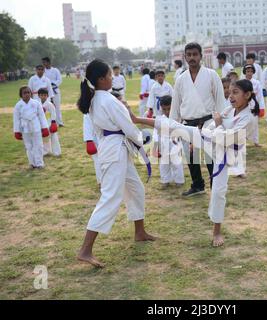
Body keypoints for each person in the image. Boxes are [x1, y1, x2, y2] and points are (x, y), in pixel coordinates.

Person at [133, 79, 256, 247]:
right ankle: (138, 119)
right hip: (209, 138)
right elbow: (212, 127)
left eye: (235, 92)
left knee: (219, 192)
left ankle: (217, 231)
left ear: (247, 95)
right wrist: (197, 137)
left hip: (225, 154)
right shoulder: (229, 109)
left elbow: (227, 138)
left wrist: (216, 126)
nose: (231, 96)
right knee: (176, 126)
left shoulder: (248, 118)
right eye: (230, 92)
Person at [77, 59, 155, 268]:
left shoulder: (95, 99)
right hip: (114, 149)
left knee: (135, 188)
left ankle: (139, 232)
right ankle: (85, 250)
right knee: (111, 196)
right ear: (101, 79)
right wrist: (142, 139)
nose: (113, 78)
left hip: (114, 147)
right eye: (110, 75)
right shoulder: (108, 100)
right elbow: (129, 127)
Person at [171, 43, 226, 197]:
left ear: (201, 56)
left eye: (195, 54)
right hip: (188, 123)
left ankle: (216, 185)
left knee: (211, 156)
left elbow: (220, 99)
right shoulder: (181, 79)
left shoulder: (211, 75)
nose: (192, 57)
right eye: (188, 55)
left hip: (208, 121)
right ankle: (197, 185)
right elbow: (175, 105)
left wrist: (221, 123)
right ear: (185, 57)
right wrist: (173, 126)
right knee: (191, 157)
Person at [13, 86, 49, 169]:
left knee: (39, 145)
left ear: (31, 93)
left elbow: (41, 116)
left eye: (28, 92)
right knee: (29, 146)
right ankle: (32, 163)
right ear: (21, 95)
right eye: (24, 93)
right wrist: (17, 131)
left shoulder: (36, 103)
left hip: (36, 126)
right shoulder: (18, 106)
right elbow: (16, 119)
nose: (26, 94)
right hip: (25, 128)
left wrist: (44, 127)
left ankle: (39, 163)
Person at [157, 95, 185, 188]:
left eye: (169, 109)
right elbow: (156, 134)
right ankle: (165, 180)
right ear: (161, 108)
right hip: (163, 144)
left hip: (175, 143)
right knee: (164, 164)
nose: (167, 112)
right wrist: (156, 147)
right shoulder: (159, 119)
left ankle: (179, 180)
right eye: (164, 109)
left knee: (177, 163)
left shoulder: (178, 118)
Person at [243, 64, 265, 148]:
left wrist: (261, 108)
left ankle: (256, 141)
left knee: (255, 124)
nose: (249, 73)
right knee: (244, 125)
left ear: (253, 72)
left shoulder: (257, 83)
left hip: (254, 106)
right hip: (244, 107)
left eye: (251, 71)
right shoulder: (242, 82)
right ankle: (243, 142)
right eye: (248, 71)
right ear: (245, 72)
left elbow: (260, 96)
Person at [38, 89, 61, 157]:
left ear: (47, 96)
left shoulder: (50, 104)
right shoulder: (38, 104)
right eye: (41, 95)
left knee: (54, 137)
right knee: (44, 138)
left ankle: (57, 152)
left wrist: (53, 123)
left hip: (50, 123)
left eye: (45, 95)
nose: (43, 96)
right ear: (39, 96)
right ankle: (46, 151)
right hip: (42, 124)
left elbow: (54, 113)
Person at [42, 57, 64, 127]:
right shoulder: (43, 71)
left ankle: (60, 122)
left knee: (57, 107)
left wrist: (52, 83)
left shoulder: (55, 70)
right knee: (46, 107)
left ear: (49, 62)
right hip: (46, 92)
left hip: (55, 90)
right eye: (43, 62)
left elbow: (59, 80)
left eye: (44, 62)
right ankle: (49, 123)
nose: (43, 64)